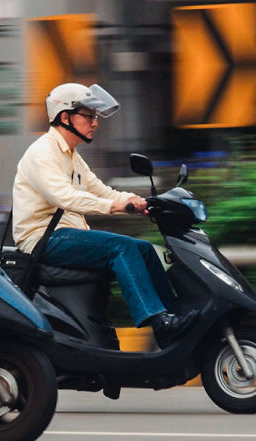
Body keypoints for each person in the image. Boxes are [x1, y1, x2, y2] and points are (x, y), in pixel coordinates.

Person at [12, 82, 197, 348]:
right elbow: (65, 197)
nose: (95, 123)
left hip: (66, 235)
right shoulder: (42, 153)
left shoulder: (72, 156)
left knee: (144, 249)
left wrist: (138, 201)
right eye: (88, 116)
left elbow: (101, 190)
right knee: (120, 247)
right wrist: (116, 206)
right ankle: (157, 321)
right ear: (65, 117)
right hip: (43, 239)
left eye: (95, 117)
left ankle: (174, 319)